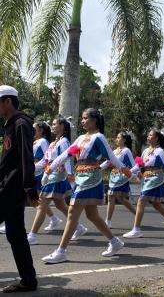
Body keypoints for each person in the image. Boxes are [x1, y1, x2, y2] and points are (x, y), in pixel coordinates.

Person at [41, 108, 128, 263]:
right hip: (81, 176)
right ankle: (115, 242)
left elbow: (110, 156)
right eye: (82, 118)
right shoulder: (81, 138)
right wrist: (49, 170)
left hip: (91, 177)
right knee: (92, 215)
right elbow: (65, 154)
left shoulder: (99, 137)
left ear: (94, 120)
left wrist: (125, 169)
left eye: (85, 118)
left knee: (73, 211)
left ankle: (61, 251)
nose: (82, 121)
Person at [0, 85, 38, 293]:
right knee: (16, 234)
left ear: (7, 101)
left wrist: (29, 187)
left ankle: (29, 279)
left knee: (16, 234)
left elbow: (26, 157)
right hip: (9, 186)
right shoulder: (11, 124)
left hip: (11, 188)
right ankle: (28, 280)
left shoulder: (21, 124)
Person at [27, 117, 87, 245]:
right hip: (50, 174)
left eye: (55, 124)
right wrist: (31, 167)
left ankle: (32, 235)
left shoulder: (64, 141)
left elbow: (66, 158)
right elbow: (45, 160)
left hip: (56, 175)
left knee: (42, 203)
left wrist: (70, 175)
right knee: (60, 205)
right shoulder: (53, 142)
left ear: (62, 127)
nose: (52, 126)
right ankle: (79, 227)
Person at [123, 130, 164, 238]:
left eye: (150, 135)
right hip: (146, 178)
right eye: (148, 135)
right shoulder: (145, 151)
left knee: (141, 200)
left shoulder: (160, 151)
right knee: (157, 205)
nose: (148, 137)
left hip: (155, 177)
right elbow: (139, 165)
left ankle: (136, 229)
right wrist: (129, 171)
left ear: (157, 138)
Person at [101, 132, 136, 229]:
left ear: (124, 140)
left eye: (118, 137)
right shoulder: (115, 151)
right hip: (114, 176)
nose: (116, 139)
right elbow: (108, 162)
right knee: (120, 198)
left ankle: (108, 220)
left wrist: (133, 174)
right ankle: (137, 214)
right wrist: (98, 168)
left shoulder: (126, 151)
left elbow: (133, 164)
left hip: (122, 177)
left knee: (112, 196)